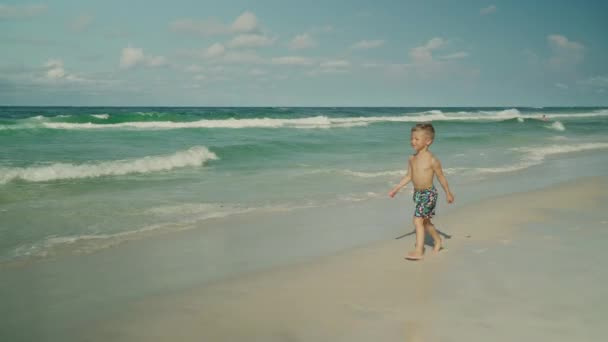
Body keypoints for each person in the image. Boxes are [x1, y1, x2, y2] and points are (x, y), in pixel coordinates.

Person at [388, 123, 454, 260]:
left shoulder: (432, 160)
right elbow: (409, 176)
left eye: (417, 139)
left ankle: (419, 250)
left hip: (429, 193)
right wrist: (396, 188)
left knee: (417, 220)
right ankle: (438, 240)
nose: (413, 141)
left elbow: (441, 177)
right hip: (417, 194)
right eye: (412, 138)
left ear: (428, 141)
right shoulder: (411, 158)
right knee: (426, 223)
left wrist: (448, 192)